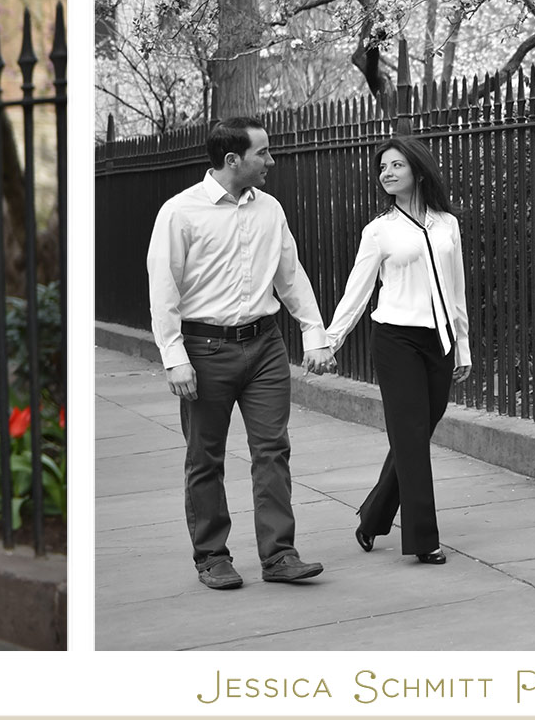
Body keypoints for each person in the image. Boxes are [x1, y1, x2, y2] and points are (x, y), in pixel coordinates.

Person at [146, 116, 335, 590]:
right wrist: (173, 355)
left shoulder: (269, 209)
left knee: (273, 450)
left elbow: (290, 274)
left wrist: (314, 332)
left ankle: (279, 555)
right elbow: (163, 287)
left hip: (265, 344)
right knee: (205, 457)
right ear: (233, 160)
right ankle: (212, 557)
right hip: (205, 349)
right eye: (263, 153)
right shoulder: (180, 212)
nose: (271, 161)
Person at [323, 135, 472, 565]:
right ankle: (424, 539)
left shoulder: (446, 224)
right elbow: (357, 292)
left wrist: (462, 347)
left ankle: (373, 517)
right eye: (382, 168)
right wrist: (330, 341)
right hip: (395, 340)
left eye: (395, 166)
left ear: (418, 170)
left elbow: (456, 290)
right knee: (410, 439)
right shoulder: (379, 231)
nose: (386, 173)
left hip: (439, 342)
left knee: (415, 436)